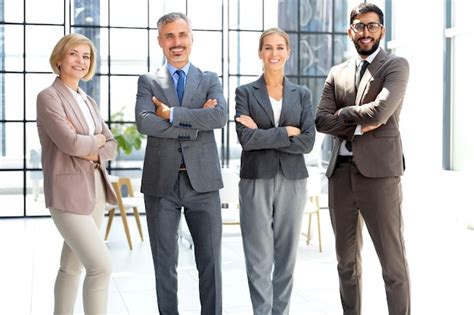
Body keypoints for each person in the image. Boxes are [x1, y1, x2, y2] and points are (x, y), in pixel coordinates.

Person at [315, 3, 410, 315]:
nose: (365, 32)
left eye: (372, 26)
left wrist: (342, 114)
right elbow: (320, 120)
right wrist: (358, 120)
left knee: (392, 265)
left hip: (380, 176)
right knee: (346, 263)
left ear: (381, 30)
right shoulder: (336, 73)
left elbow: (381, 112)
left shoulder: (395, 67)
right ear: (350, 30)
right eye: (360, 26)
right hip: (340, 174)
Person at [135, 12, 227, 315]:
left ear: (191, 38)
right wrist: (195, 120)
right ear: (160, 41)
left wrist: (171, 114)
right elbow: (145, 123)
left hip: (204, 183)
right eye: (170, 36)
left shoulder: (210, 79)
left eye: (182, 35)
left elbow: (219, 117)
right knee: (165, 264)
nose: (177, 42)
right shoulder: (148, 81)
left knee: (210, 263)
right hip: (161, 183)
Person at [235, 27, 315, 315]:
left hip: (293, 180)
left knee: (286, 257)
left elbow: (307, 141)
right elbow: (246, 139)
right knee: (258, 257)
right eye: (268, 47)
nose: (274, 53)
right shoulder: (244, 93)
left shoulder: (302, 94)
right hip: (256, 179)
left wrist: (265, 134)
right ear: (260, 53)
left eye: (280, 47)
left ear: (288, 52)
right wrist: (286, 132)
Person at [36, 33, 118, 314]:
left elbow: (113, 145)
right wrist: (95, 141)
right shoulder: (48, 97)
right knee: (101, 266)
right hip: (67, 192)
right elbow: (69, 143)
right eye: (74, 54)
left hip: (94, 188)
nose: (81, 61)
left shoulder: (88, 101)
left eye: (86, 56)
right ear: (59, 58)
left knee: (71, 267)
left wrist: (91, 143)